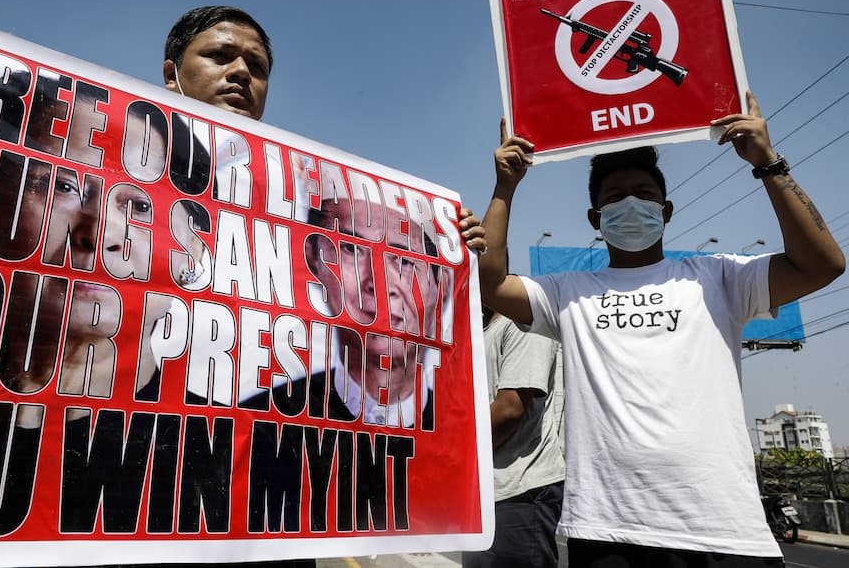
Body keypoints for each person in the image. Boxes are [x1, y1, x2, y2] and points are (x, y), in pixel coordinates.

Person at [0, 8, 318, 568]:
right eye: (59, 184)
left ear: (195, 249)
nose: (101, 228)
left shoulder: (245, 454)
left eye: (140, 205)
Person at [458, 94, 845, 568]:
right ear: (595, 219)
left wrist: (768, 163)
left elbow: (823, 264)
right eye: (614, 198)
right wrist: (505, 187)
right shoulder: (568, 293)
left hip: (725, 533)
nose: (630, 204)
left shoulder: (720, 277)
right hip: (607, 532)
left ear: (666, 210)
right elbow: (491, 284)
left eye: (643, 194)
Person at [238, 193, 441, 429]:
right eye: (351, 249)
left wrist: (471, 256)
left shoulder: (465, 426)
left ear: (441, 285)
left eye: (405, 260)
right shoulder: (260, 424)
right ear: (313, 257)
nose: (378, 283)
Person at [462, 306, 564, 568]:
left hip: (518, 492)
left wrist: (454, 450)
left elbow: (510, 409)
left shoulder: (524, 320)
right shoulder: (484, 327)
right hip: (485, 493)